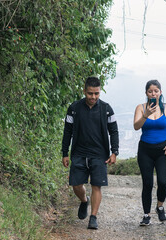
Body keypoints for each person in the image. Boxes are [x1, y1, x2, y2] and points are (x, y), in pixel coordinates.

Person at [61, 76, 119, 230]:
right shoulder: (74, 108)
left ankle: (93, 217)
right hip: (78, 153)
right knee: (76, 184)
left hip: (99, 155)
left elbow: (113, 131)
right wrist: (64, 153)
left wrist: (114, 152)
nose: (93, 97)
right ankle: (84, 201)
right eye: (90, 93)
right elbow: (67, 131)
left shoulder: (107, 109)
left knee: (96, 186)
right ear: (84, 91)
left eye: (96, 94)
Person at [133, 79, 166, 226]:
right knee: (147, 183)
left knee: (163, 182)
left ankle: (160, 206)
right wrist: (145, 115)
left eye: (156, 91)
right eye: (150, 91)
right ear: (146, 93)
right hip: (145, 149)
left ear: (160, 92)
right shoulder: (140, 108)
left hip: (163, 150)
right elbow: (136, 126)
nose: (153, 93)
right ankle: (146, 215)